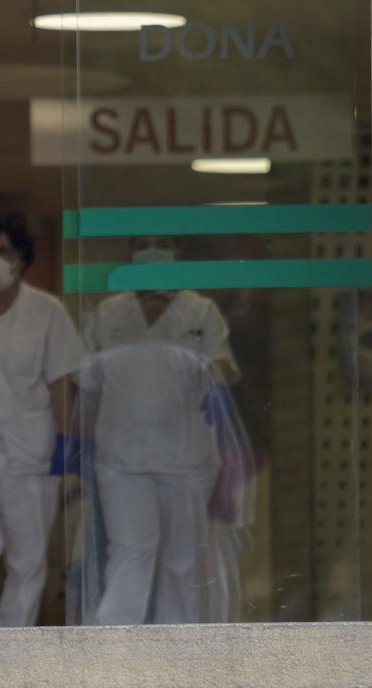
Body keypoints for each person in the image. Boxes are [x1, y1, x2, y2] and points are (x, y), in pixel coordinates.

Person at [80, 235, 241, 625]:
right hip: (120, 459)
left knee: (182, 563)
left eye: (162, 242)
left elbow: (224, 362)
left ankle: (177, 658)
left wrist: (218, 387)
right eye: (143, 242)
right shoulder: (108, 313)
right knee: (131, 552)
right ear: (128, 254)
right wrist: (76, 439)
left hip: (186, 456)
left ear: (179, 253)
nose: (152, 249)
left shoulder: (200, 311)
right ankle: (111, 654)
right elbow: (86, 384)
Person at [0, 214, 84, 628]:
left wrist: (67, 441)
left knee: (27, 559)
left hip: (32, 454)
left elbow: (62, 380)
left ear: (22, 259)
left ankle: (11, 654)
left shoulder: (47, 311)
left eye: (5, 251)